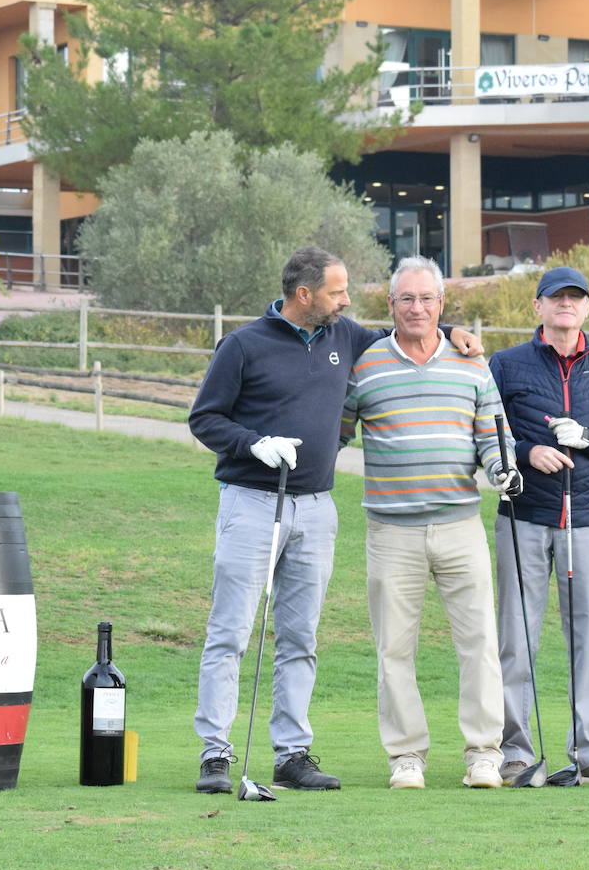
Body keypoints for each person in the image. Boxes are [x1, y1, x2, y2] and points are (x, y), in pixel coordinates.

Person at [187, 247, 482, 794]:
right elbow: (204, 418)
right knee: (231, 632)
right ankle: (215, 752)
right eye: (337, 291)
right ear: (305, 295)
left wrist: (457, 329)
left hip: (316, 508)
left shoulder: (345, 337)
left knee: (300, 636)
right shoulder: (244, 346)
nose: (347, 300)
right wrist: (255, 445)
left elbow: (410, 329)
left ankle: (292, 753)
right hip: (252, 502)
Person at [339, 255, 521, 790]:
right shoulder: (366, 365)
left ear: (442, 305)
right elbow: (337, 430)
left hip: (460, 525)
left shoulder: (472, 364)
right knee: (394, 648)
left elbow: (492, 438)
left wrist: (500, 471)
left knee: (480, 643)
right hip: (391, 531)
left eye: (426, 299)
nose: (417, 307)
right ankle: (406, 757)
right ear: (390, 305)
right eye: (406, 299)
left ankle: (484, 753)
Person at [488, 266, 589, 786]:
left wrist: (588, 440)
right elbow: (487, 435)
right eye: (556, 298)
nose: (566, 306)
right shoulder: (506, 365)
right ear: (538, 308)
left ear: (587, 309)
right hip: (524, 516)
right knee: (516, 636)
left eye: (575, 298)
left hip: (588, 521)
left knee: (588, 638)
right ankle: (513, 751)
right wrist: (529, 452)